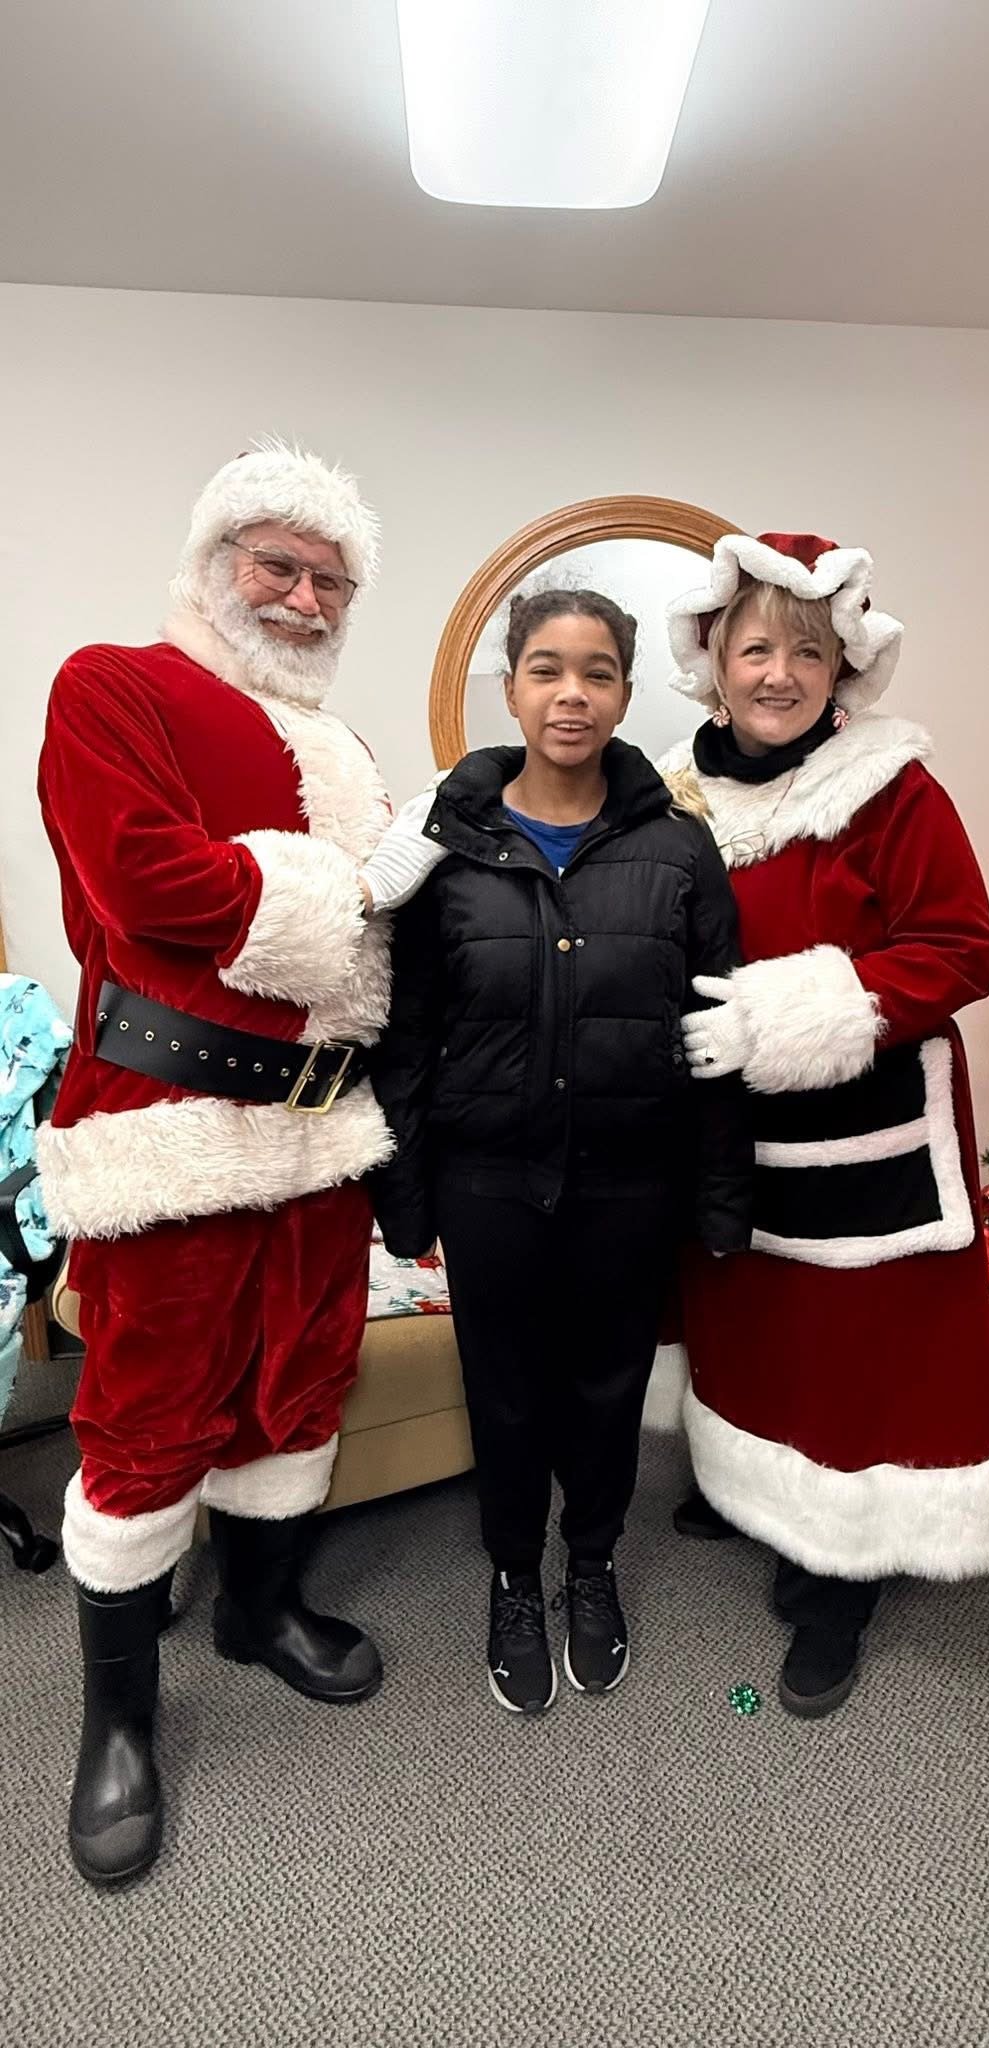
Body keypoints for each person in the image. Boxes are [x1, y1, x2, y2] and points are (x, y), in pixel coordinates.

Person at [38, 441, 393, 1884]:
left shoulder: (350, 750)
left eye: (331, 580)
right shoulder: (111, 684)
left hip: (322, 1136)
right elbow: (142, 882)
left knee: (299, 1385)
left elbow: (384, 955)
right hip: (168, 1129)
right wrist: (346, 889)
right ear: (214, 564)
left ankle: (260, 1607)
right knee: (144, 1419)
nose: (305, 598)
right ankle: (118, 1721)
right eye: (279, 566)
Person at [659, 531, 989, 1718]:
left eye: (805, 650)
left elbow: (960, 950)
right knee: (752, 1310)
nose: (779, 673)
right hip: (731, 1124)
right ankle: (760, 1491)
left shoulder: (894, 786)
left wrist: (791, 1012)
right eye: (756, 645)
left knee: (858, 1339)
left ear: (842, 665)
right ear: (714, 657)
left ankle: (844, 1566)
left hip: (869, 1120)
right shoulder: (670, 789)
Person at [370, 589, 751, 1714]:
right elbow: (408, 1036)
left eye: (596, 671)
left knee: (604, 1385)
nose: (571, 693)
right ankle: (510, 1572)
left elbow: (719, 1027)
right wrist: (405, 1194)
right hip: (488, 1176)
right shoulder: (445, 847)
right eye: (546, 668)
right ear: (512, 687)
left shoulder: (680, 848)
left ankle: (590, 1560)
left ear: (626, 693)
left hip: (631, 1178)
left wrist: (722, 1191)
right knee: (505, 1391)